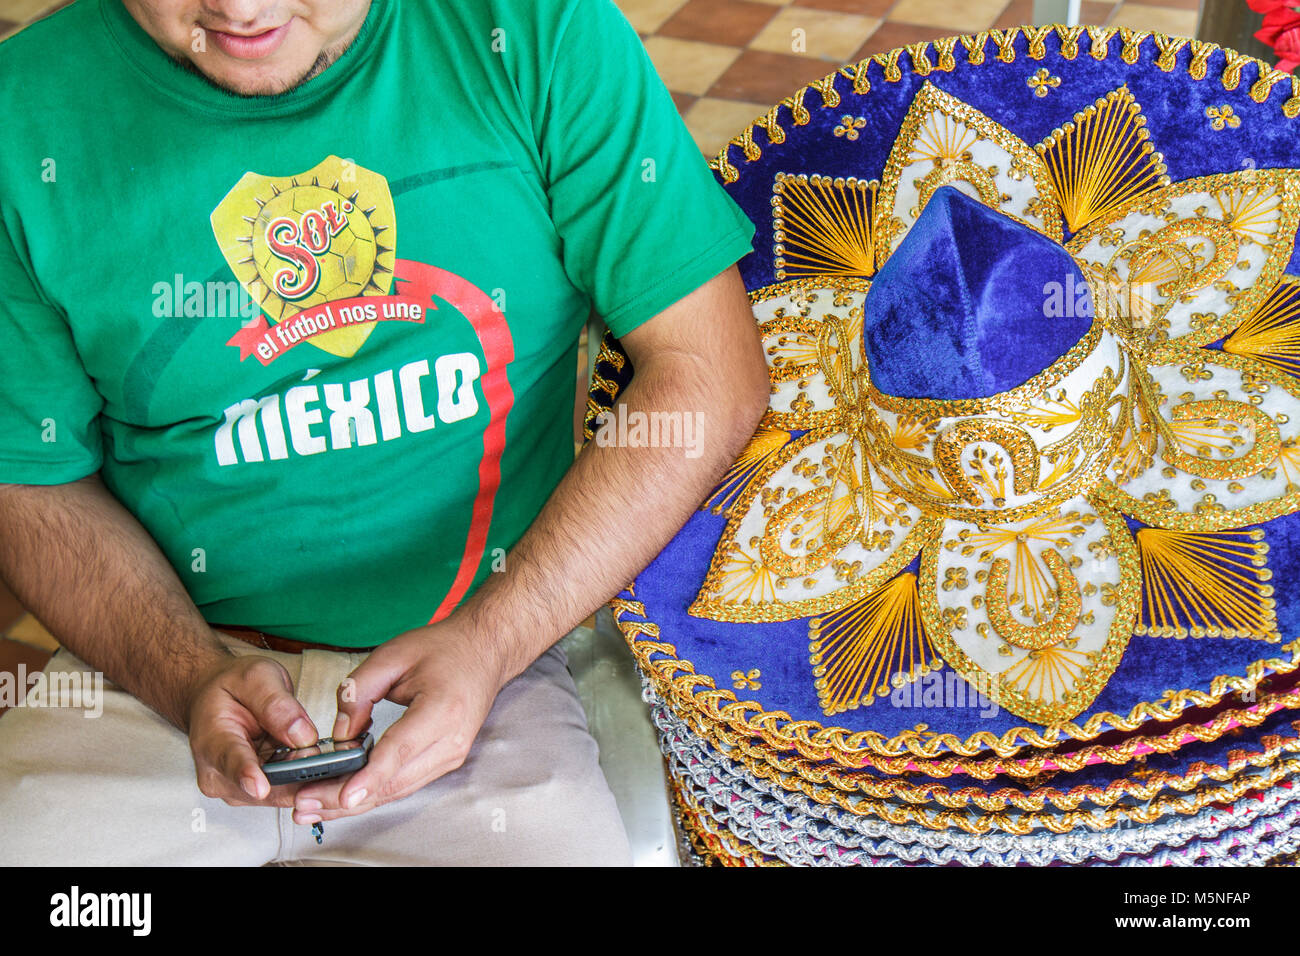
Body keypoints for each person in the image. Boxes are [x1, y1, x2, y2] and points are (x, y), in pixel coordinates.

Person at [0, 0, 767, 866]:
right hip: (151, 662)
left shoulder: (539, 31)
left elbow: (706, 373)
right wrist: (186, 674)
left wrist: (492, 642)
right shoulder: (20, 114)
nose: (241, 9)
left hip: (501, 662)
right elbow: (30, 478)